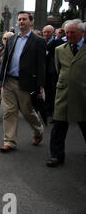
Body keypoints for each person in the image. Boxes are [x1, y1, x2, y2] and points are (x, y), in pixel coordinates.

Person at [0, 11, 46, 152]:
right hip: (8, 81)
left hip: (25, 82)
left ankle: (38, 130)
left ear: (31, 22)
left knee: (27, 111)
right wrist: (0, 78)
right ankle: (9, 141)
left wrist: (40, 85)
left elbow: (41, 65)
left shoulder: (38, 41)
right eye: (19, 19)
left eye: (24, 19)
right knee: (9, 111)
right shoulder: (12, 39)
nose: (21, 22)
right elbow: (5, 61)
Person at [46, 19, 86, 167]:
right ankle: (56, 155)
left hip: (82, 95)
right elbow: (58, 69)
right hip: (64, 94)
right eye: (67, 32)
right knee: (58, 127)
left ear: (82, 33)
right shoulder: (60, 50)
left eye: (72, 32)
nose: (69, 35)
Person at [43, 25, 65, 117]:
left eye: (49, 32)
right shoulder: (40, 41)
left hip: (53, 70)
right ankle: (47, 108)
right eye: (45, 32)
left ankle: (53, 109)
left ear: (53, 32)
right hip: (44, 70)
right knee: (47, 90)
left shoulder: (58, 42)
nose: (47, 34)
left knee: (53, 91)